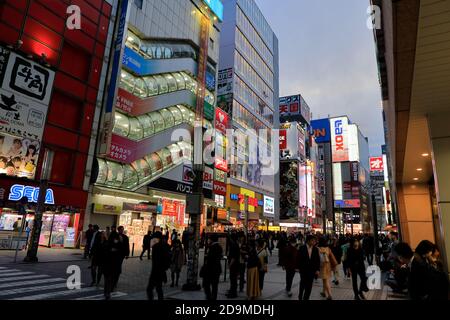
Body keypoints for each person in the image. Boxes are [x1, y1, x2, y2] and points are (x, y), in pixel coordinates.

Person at [147, 231, 171, 300]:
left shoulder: (157, 247)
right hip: (160, 272)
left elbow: (157, 262)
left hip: (156, 272)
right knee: (158, 289)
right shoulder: (165, 247)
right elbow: (168, 261)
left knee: (150, 289)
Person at [297, 235, 320, 301]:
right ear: (308, 241)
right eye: (313, 240)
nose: (314, 242)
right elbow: (298, 258)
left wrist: (317, 269)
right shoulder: (302, 248)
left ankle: (306, 298)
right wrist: (298, 267)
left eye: (315, 241)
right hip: (303, 270)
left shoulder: (315, 249)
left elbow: (317, 260)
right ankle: (300, 296)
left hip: (312, 270)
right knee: (302, 284)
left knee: (309, 286)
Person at [202, 234, 223, 300]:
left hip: (210, 270)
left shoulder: (212, 247)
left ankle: (209, 297)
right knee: (214, 286)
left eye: (209, 239)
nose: (208, 240)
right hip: (217, 269)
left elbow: (210, 259)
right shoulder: (219, 247)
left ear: (211, 239)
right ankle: (213, 298)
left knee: (206, 284)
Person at [226, 232, 241, 298]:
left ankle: (233, 293)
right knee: (233, 279)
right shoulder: (235, 244)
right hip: (236, 264)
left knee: (233, 279)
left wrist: (230, 264)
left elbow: (233, 257)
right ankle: (232, 291)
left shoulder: (233, 245)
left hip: (234, 265)